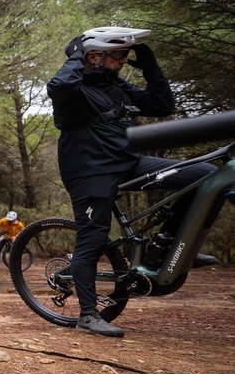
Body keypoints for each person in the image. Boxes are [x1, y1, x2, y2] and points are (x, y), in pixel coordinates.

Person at [47, 26, 216, 338]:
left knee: (203, 176)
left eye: (126, 54)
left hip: (130, 163)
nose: (124, 60)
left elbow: (162, 104)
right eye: (118, 54)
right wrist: (77, 56)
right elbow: (57, 85)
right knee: (92, 240)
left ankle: (169, 245)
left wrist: (150, 65)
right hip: (91, 172)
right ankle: (87, 315)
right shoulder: (73, 91)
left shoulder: (115, 84)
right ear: (95, 56)